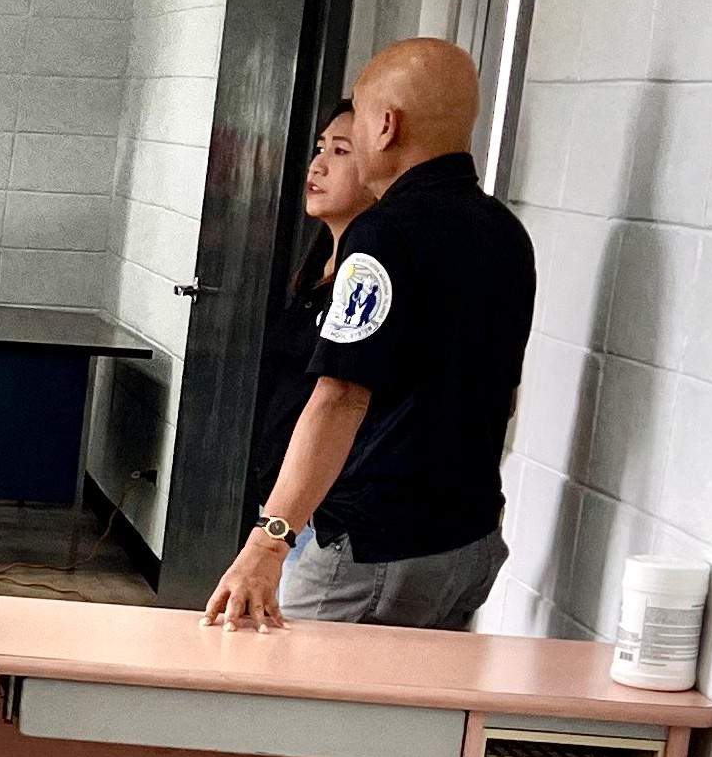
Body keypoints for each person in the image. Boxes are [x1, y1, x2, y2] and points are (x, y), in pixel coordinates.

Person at [205, 37, 534, 633]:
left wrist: (268, 545)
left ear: (386, 125)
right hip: (468, 542)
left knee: (279, 709)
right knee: (407, 720)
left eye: (354, 121)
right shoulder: (505, 231)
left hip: (373, 549)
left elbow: (340, 396)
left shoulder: (385, 235)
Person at [243, 106, 378, 522]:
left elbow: (343, 400)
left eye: (340, 152)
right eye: (320, 149)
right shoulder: (316, 268)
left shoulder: (370, 279)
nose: (317, 165)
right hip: (283, 499)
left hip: (323, 514)